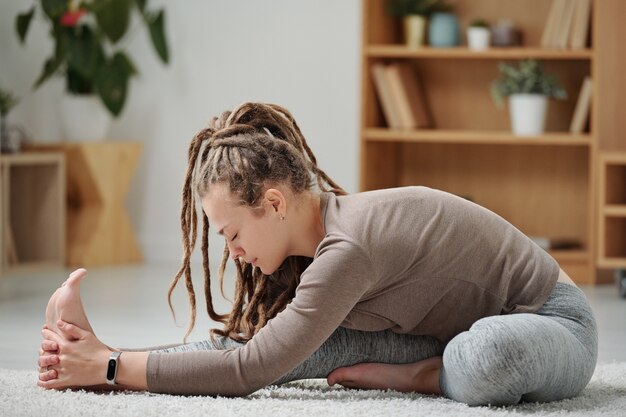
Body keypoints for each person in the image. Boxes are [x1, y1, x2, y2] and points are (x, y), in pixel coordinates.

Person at [38, 102, 597, 406]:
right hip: (449, 327)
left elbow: (245, 373)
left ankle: (423, 377)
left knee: (486, 359)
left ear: (274, 203)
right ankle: (96, 361)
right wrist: (106, 361)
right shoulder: (326, 233)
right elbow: (257, 351)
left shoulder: (347, 249)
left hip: (551, 326)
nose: (231, 253)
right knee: (293, 348)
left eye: (231, 234)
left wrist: (111, 370)